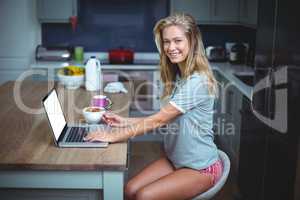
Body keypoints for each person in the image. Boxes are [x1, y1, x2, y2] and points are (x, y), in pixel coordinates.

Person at [84, 13, 223, 200]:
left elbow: (158, 120)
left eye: (177, 41)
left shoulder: (197, 81)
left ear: (192, 41)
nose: (171, 47)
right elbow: (167, 118)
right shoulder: (181, 76)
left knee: (144, 196)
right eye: (166, 42)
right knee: (129, 190)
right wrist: (125, 121)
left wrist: (111, 136)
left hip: (201, 168)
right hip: (177, 160)